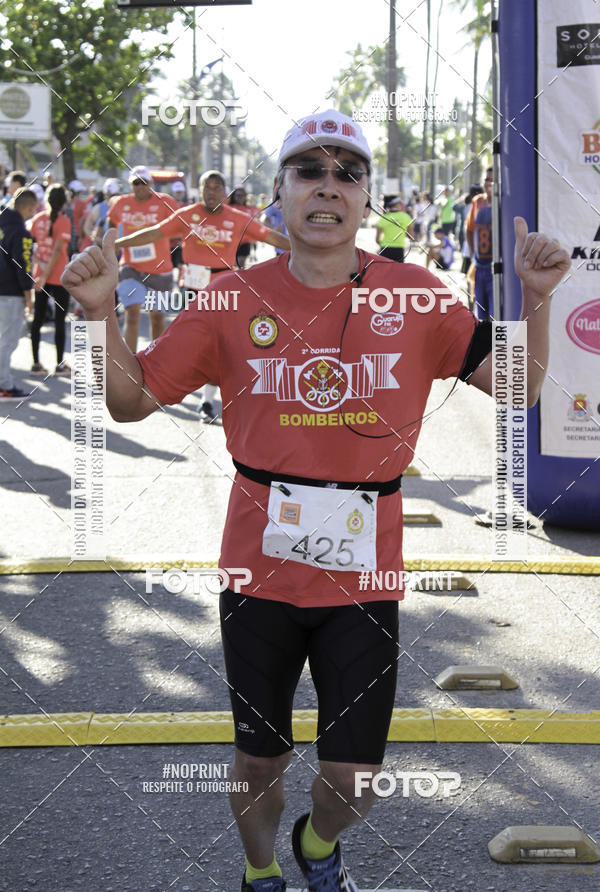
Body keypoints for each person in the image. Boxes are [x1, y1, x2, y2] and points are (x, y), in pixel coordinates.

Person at [62, 108, 570, 892]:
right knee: (260, 757)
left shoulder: (418, 297)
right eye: (310, 170)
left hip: (365, 579)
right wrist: (100, 317)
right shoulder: (231, 298)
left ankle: (319, 844)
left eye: (348, 172)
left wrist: (537, 301)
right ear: (280, 193)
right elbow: (130, 403)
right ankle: (260, 867)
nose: (329, 186)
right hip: (256, 574)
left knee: (356, 782)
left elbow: (518, 386)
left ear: (368, 197)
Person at [115, 169, 289, 423]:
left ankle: (208, 401)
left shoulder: (238, 219)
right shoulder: (187, 215)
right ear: (200, 190)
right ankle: (154, 382)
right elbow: (154, 233)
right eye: (207, 187)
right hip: (193, 288)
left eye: (217, 187)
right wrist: (116, 244)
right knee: (188, 341)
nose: (212, 192)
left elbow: (271, 237)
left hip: (225, 291)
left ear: (225, 192)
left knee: (221, 344)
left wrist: (310, 249)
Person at [107, 166, 178, 353]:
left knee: (156, 317)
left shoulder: (166, 201)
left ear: (151, 183)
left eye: (143, 182)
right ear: (130, 185)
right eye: (136, 183)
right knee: (132, 313)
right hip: (131, 267)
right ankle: (129, 363)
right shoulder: (121, 203)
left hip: (160, 270)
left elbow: (180, 224)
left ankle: (156, 359)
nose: (140, 186)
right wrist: (107, 244)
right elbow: (111, 223)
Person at [29, 184, 73, 375]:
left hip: (40, 275)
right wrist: (47, 274)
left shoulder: (37, 219)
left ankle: (36, 363)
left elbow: (30, 247)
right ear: (64, 202)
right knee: (59, 320)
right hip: (59, 276)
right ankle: (59, 364)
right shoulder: (63, 221)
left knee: (37, 319)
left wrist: (40, 267)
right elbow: (57, 251)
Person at [0, 187, 37, 398]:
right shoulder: (21, 233)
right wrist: (29, 296)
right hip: (10, 293)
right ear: (30, 207)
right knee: (8, 341)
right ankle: (4, 384)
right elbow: (24, 265)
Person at [466, 167, 494, 319]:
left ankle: (499, 344)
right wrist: (472, 253)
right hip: (480, 266)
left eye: (492, 180)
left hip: (496, 268)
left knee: (495, 315)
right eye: (486, 179)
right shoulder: (478, 202)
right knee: (481, 314)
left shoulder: (505, 202)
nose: (488, 183)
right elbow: (469, 229)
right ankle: (486, 343)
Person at [374, 196, 413, 262]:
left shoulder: (384, 218)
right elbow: (411, 236)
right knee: (397, 271)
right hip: (399, 250)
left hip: (385, 249)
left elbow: (377, 240)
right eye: (400, 203)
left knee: (385, 272)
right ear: (397, 204)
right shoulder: (406, 216)